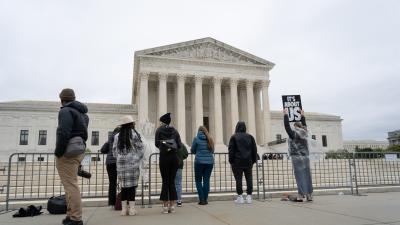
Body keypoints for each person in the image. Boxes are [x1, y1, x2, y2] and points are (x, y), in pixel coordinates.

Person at [54, 88, 89, 225]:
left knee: (70, 185)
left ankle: (76, 218)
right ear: (73, 98)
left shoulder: (65, 111)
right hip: (79, 150)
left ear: (62, 99)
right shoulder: (83, 114)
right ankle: (70, 215)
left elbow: (64, 132)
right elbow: (84, 134)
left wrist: (59, 151)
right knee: (70, 185)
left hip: (67, 152)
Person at [112, 115, 144, 216]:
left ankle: (123, 210)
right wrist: (137, 157)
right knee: (132, 187)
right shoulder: (134, 134)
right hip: (132, 164)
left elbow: (114, 151)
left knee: (124, 187)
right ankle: (132, 209)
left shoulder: (117, 136)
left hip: (121, 165)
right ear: (131, 124)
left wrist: (119, 158)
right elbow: (141, 148)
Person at [283, 108, 313, 201]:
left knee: (299, 176)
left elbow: (287, 126)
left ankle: (301, 194)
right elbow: (304, 125)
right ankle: (309, 195)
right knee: (307, 175)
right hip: (305, 157)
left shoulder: (293, 134)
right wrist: (302, 115)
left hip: (297, 158)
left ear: (295, 127)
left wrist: (285, 115)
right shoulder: (305, 133)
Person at [155, 113, 182, 214]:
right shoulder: (175, 130)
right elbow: (179, 145)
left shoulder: (159, 130)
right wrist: (172, 146)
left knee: (165, 181)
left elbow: (156, 143)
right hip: (174, 158)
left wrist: (164, 146)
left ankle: (165, 207)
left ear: (162, 122)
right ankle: (172, 206)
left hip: (164, 158)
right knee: (172, 182)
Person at [228, 121, 258, 204]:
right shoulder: (250, 137)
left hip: (237, 161)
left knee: (238, 179)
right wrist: (253, 160)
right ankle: (249, 196)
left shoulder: (234, 137)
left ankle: (240, 196)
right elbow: (254, 149)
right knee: (249, 178)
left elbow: (231, 150)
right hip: (248, 161)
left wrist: (231, 161)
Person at [191, 126, 214, 205]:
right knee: (206, 181)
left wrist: (197, 152)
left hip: (199, 162)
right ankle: (205, 199)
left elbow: (192, 150)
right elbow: (212, 150)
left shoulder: (196, 139)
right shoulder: (210, 139)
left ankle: (202, 199)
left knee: (198, 181)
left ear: (199, 131)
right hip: (209, 162)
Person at [100, 126, 120, 209]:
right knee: (123, 182)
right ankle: (122, 202)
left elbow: (102, 150)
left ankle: (112, 203)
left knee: (112, 183)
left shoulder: (110, 139)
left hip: (109, 162)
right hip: (119, 162)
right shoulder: (120, 137)